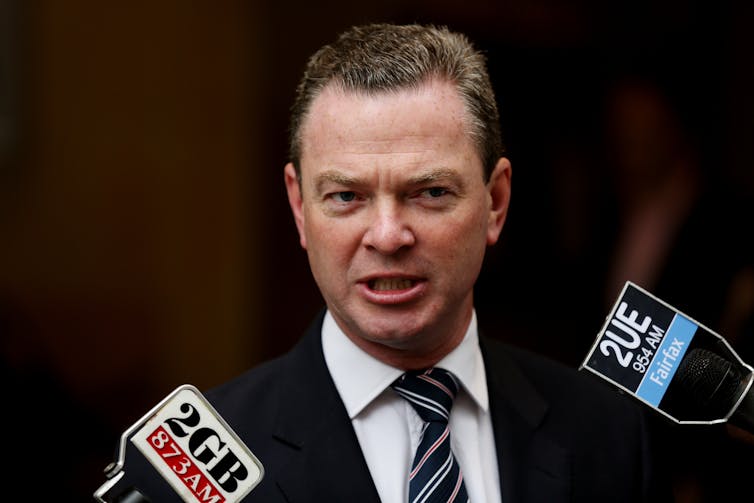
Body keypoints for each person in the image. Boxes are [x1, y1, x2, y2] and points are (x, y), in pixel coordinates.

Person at [117, 23, 671, 502]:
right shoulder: (185, 469)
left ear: (496, 202)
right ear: (298, 207)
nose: (387, 235)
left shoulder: (608, 436)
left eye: (430, 192)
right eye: (346, 197)